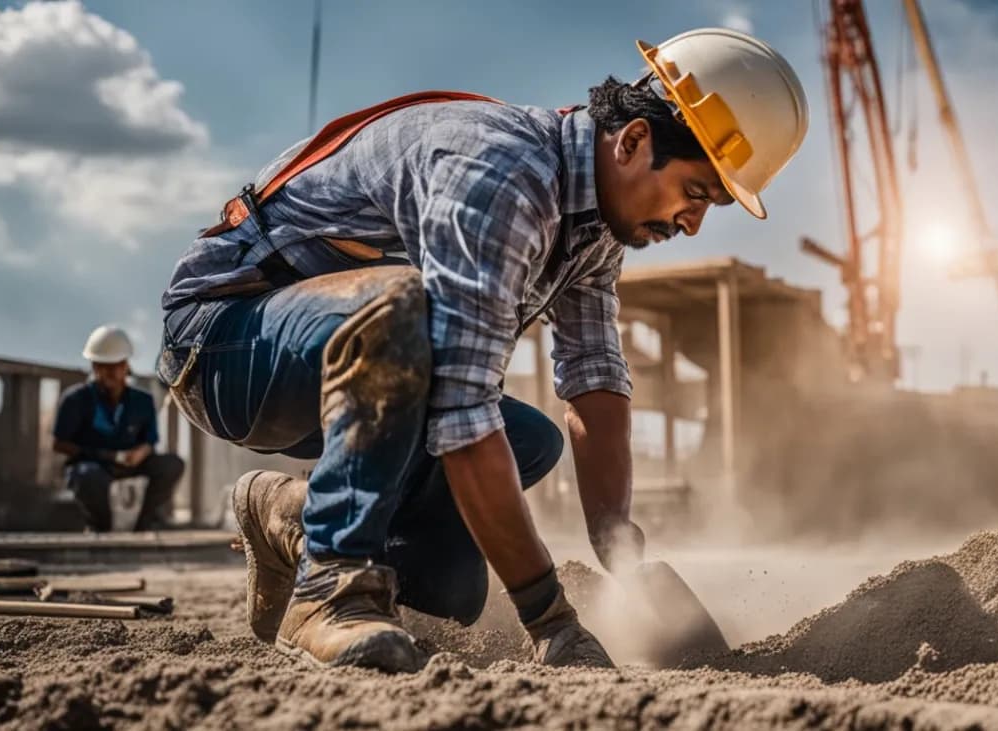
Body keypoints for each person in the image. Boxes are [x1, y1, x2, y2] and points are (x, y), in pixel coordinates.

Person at [156, 28, 808, 672]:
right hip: (223, 341)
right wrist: (549, 618)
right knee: (405, 314)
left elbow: (593, 375)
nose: (695, 220)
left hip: (332, 363)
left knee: (466, 552)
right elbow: (461, 410)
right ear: (635, 141)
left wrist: (618, 545)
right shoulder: (503, 177)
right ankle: (331, 584)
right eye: (697, 191)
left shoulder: (593, 227)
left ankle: (292, 515)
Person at [54, 325, 185, 532]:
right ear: (94, 367)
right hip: (94, 465)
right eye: (104, 366)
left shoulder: (142, 401)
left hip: (131, 463)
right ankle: (100, 527)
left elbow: (150, 440)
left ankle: (143, 524)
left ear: (126, 366)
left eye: (117, 365)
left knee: (172, 465)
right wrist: (104, 455)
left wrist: (142, 452)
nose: (112, 372)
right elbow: (60, 443)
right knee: (86, 475)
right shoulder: (75, 399)